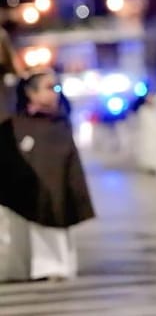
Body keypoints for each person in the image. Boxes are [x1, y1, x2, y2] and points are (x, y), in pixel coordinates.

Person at [0, 68, 95, 281]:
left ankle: (55, 266)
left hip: (54, 193)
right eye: (48, 88)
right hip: (26, 195)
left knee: (53, 222)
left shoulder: (59, 124)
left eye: (57, 87)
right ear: (31, 93)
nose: (54, 93)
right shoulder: (17, 125)